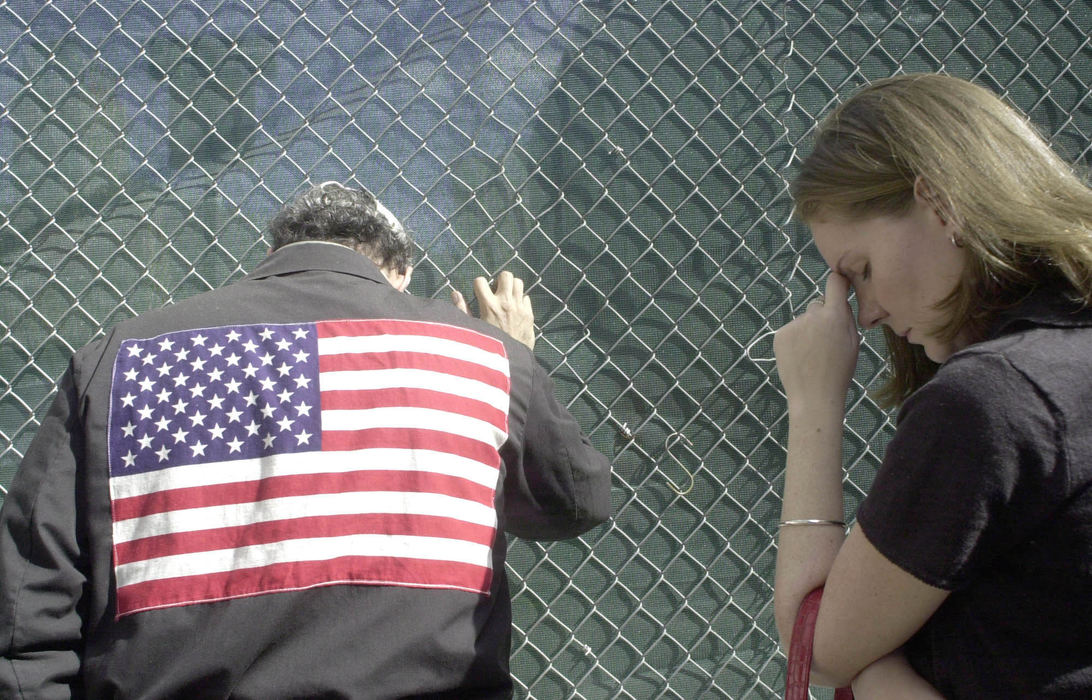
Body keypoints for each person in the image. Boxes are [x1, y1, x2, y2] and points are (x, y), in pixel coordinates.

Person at [0, 181, 612, 698]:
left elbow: (30, 601)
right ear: (399, 271)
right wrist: (517, 365)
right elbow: (575, 502)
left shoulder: (119, 359)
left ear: (274, 252)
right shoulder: (484, 360)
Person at [773, 73, 1092, 698]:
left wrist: (813, 403)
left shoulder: (991, 400)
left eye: (860, 271)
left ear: (939, 204)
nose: (864, 314)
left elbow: (820, 652)